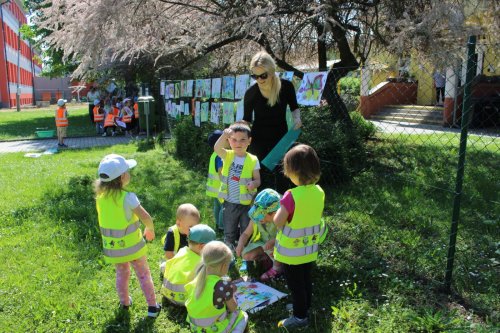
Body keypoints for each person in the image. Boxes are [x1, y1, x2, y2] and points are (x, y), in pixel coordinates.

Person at [94, 154, 161, 317]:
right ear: (123, 177)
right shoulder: (128, 197)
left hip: (114, 248)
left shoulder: (100, 198)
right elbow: (145, 217)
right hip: (133, 247)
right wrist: (150, 229)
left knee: (122, 273)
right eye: (128, 171)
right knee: (144, 274)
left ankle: (124, 302)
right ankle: (152, 307)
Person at [273, 144, 327, 329]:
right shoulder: (319, 192)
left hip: (292, 252)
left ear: (293, 171)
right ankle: (304, 305)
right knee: (305, 279)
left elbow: (278, 221)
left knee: (296, 285)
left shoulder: (291, 195)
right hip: (309, 247)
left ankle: (300, 317)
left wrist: (275, 215)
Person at [243, 51, 302, 194]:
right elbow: (246, 119)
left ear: (272, 71)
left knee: (283, 173)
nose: (259, 79)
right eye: (255, 76)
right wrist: (240, 133)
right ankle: (259, 211)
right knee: (258, 175)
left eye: (263, 75)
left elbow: (294, 107)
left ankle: (283, 207)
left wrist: (297, 119)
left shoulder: (286, 86)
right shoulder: (251, 92)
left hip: (280, 137)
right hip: (258, 139)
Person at [214, 122, 261, 251]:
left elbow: (258, 180)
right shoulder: (228, 155)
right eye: (234, 140)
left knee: (245, 230)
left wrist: (254, 183)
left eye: (242, 140)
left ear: (249, 141)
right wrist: (224, 135)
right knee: (229, 230)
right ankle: (229, 253)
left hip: (246, 203)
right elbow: (217, 148)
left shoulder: (253, 159)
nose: (238, 143)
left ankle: (244, 254)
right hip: (229, 202)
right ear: (229, 141)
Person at [185, 241, 248, 333]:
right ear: (224, 266)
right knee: (242, 315)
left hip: (196, 328)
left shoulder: (197, 279)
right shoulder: (223, 286)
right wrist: (231, 293)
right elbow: (233, 308)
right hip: (214, 329)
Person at [161, 224, 216, 306]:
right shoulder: (202, 262)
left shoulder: (182, 250)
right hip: (184, 299)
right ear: (202, 246)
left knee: (165, 265)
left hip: (166, 291)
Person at [235, 188, 282, 280]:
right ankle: (266, 258)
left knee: (277, 253)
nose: (260, 219)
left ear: (272, 213)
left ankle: (277, 269)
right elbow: (246, 234)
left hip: (278, 245)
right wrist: (240, 244)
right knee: (246, 255)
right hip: (264, 244)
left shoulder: (280, 219)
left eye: (262, 216)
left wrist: (273, 241)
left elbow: (285, 236)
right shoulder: (256, 217)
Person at [160, 204, 200, 274]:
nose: (194, 230)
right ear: (179, 223)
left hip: (186, 259)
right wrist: (180, 263)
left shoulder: (192, 232)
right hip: (173, 259)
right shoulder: (172, 233)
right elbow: (168, 254)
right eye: (190, 226)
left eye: (195, 226)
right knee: (164, 267)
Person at [206, 130, 224, 231]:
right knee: (224, 208)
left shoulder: (214, 154)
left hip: (213, 187)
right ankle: (221, 226)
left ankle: (217, 224)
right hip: (220, 187)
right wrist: (225, 185)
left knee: (217, 206)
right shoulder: (220, 156)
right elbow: (221, 172)